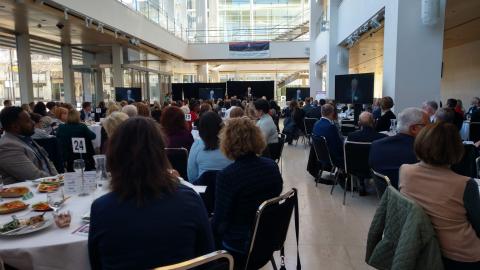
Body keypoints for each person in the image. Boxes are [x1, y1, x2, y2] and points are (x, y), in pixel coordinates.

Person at [89, 117, 214, 270]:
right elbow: (207, 257)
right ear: (161, 153)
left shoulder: (101, 209)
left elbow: (95, 263)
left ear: (115, 155)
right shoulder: (190, 200)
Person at [399, 122, 480, 269]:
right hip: (461, 256)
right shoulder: (465, 184)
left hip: (421, 247)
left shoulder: (405, 171)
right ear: (457, 149)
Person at [213, 117, 283, 264]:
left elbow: (220, 221)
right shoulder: (272, 166)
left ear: (227, 143)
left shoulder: (227, 176)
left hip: (238, 247)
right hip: (268, 239)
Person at [369, 107, 428, 189]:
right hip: (411, 196)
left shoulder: (376, 145)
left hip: (385, 193)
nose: (429, 129)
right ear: (414, 129)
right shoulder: (421, 152)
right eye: (427, 126)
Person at [0, 107, 57, 184]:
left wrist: (57, 177)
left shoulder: (26, 138)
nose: (33, 123)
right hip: (29, 193)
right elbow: (33, 176)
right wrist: (56, 181)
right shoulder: (8, 146)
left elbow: (48, 163)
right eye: (28, 121)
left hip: (48, 187)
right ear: (15, 127)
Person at [347, 112, 387, 195]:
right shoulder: (383, 137)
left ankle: (361, 183)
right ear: (374, 122)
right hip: (375, 169)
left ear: (359, 123)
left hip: (355, 168)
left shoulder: (351, 136)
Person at [187, 112, 232, 182]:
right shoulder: (231, 145)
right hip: (228, 189)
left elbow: (192, 176)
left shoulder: (197, 145)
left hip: (202, 189)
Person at [312, 104, 344, 168]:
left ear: (321, 112)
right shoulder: (331, 127)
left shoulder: (316, 123)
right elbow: (339, 145)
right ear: (332, 113)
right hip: (333, 158)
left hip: (321, 156)